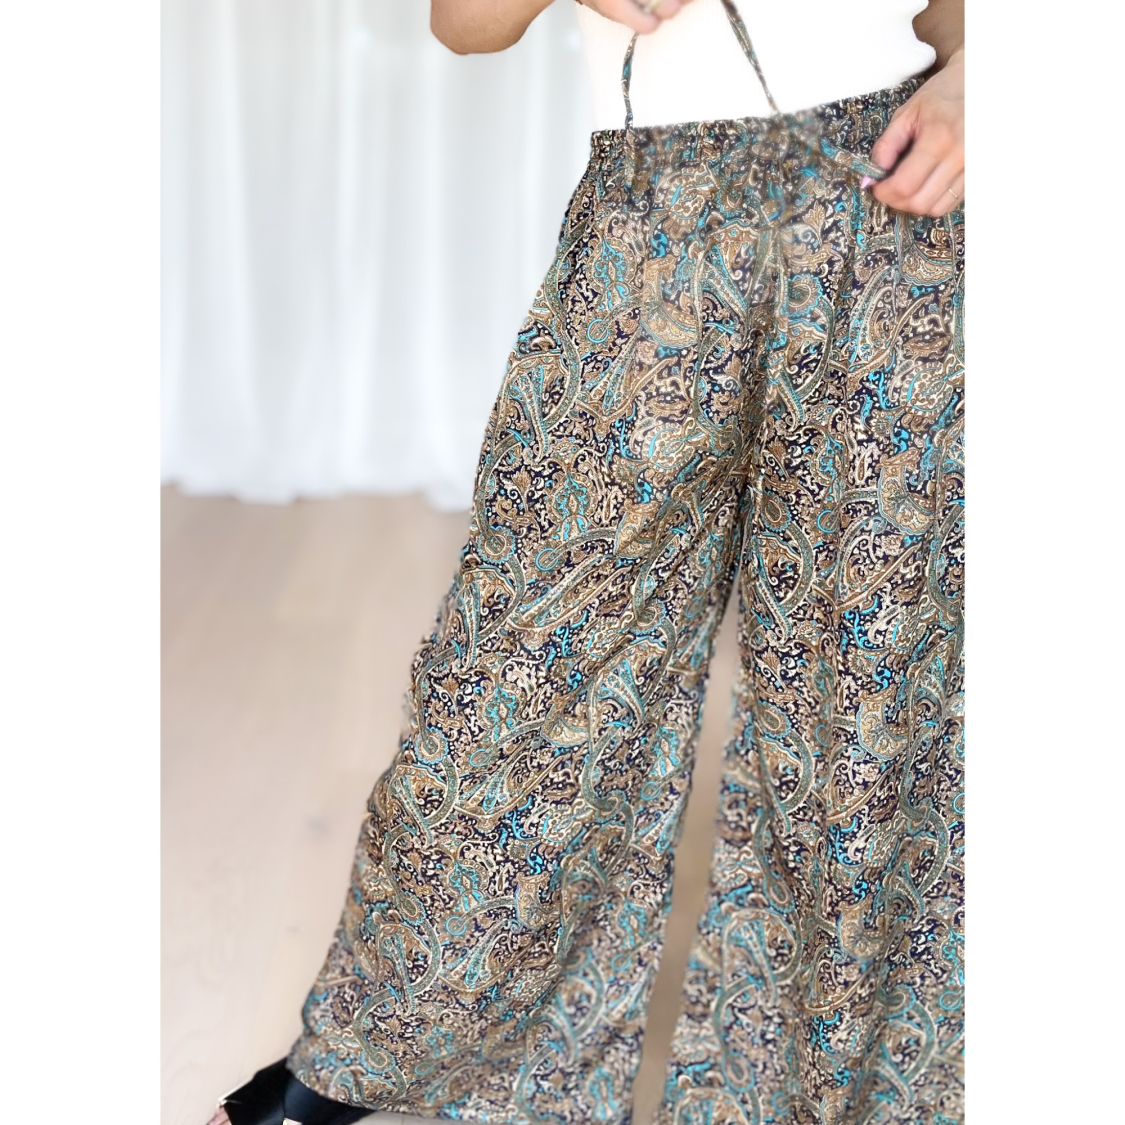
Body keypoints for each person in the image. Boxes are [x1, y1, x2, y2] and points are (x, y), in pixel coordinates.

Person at [211, 0, 964, 1121]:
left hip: (897, 200)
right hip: (653, 218)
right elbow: (463, 24)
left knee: (863, 685)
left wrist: (984, 76)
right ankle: (379, 1047)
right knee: (525, 663)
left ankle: (845, 1090)